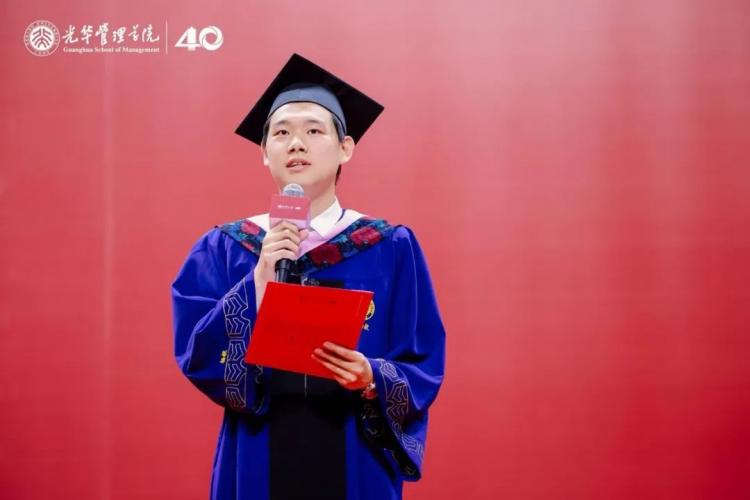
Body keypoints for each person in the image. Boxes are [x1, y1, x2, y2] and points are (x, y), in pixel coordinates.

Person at [171, 53, 446, 500]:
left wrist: (372, 377)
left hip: (354, 456)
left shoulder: (389, 246)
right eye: (281, 133)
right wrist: (257, 283)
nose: (296, 143)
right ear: (265, 153)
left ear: (345, 148)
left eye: (314, 131)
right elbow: (197, 355)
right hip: (257, 452)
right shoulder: (226, 247)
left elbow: (424, 362)